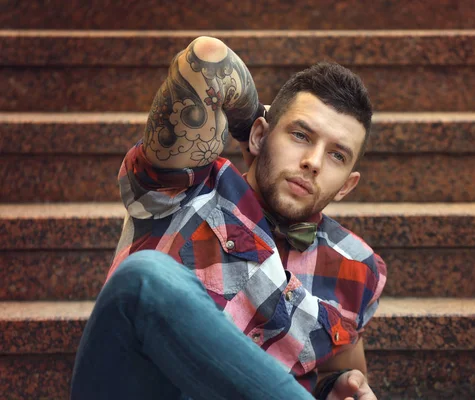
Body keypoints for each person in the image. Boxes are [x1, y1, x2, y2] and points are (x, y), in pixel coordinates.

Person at [71, 36, 387, 400]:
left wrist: (340, 386)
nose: (313, 162)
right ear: (259, 135)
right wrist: (249, 125)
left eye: (337, 156)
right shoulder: (187, 188)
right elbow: (207, 59)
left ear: (347, 186)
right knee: (145, 278)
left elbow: (343, 373)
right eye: (300, 135)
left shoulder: (357, 265)